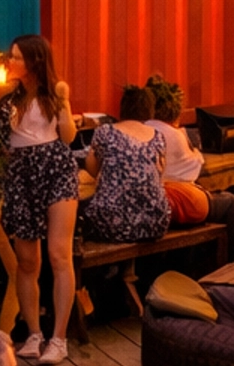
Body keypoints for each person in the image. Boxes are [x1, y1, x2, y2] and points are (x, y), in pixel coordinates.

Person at [0, 36, 79, 366]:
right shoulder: (8, 94)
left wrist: (65, 106)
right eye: (10, 57)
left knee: (58, 254)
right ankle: (34, 333)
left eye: (16, 58)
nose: (10, 62)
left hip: (55, 167)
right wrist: (0, 94)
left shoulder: (57, 91)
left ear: (34, 62)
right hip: (19, 172)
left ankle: (59, 338)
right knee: (26, 261)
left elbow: (68, 138)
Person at [82, 87, 170, 245]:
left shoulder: (105, 132)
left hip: (113, 223)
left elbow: (92, 168)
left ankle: (107, 269)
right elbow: (160, 173)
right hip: (155, 223)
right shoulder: (158, 137)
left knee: (77, 210)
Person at [145, 73, 210, 224]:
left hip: (147, 204)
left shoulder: (141, 129)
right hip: (171, 198)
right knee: (231, 202)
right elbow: (194, 168)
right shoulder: (173, 135)